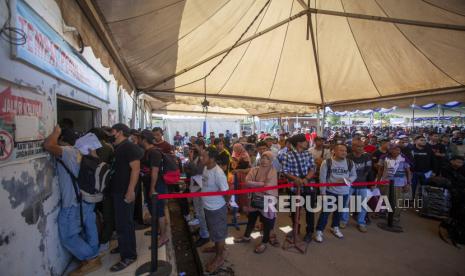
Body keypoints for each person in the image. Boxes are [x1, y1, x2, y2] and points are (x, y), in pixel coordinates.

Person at [44, 125, 102, 275]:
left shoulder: (68, 152)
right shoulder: (85, 152)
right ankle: (93, 251)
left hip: (72, 202)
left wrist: (55, 131)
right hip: (87, 198)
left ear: (63, 140)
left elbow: (48, 145)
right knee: (90, 225)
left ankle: (91, 257)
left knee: (68, 236)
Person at [108, 123, 143, 272]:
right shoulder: (120, 147)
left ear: (120, 132)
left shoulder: (128, 147)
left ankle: (129, 255)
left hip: (124, 192)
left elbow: (136, 169)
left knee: (124, 223)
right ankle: (123, 246)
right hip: (117, 191)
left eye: (112, 131)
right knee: (120, 222)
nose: (111, 134)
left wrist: (130, 191)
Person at [234, 151, 279, 253]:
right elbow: (247, 181)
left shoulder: (273, 171)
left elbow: (268, 186)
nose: (264, 160)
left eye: (267, 158)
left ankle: (264, 242)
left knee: (267, 223)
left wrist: (255, 185)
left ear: (271, 161)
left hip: (268, 200)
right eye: (263, 157)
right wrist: (261, 184)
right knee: (251, 219)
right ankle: (246, 237)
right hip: (255, 199)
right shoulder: (255, 169)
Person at [316, 144, 357, 243]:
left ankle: (335, 227)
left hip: (344, 192)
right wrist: (323, 193)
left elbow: (354, 176)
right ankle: (319, 231)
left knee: (339, 212)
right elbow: (322, 179)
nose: (344, 152)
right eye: (341, 150)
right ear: (334, 151)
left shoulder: (350, 163)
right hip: (330, 192)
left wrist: (346, 180)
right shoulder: (327, 163)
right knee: (325, 213)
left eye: (345, 151)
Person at [282, 134, 316, 243]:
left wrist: (306, 178)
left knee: (310, 210)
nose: (307, 142)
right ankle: (296, 228)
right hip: (294, 188)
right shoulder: (288, 155)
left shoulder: (308, 154)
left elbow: (313, 167)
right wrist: (295, 179)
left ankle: (309, 232)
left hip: (307, 186)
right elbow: (285, 171)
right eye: (305, 141)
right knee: (294, 210)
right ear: (299, 143)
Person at [201, 148, 229, 273]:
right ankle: (216, 247)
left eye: (203, 156)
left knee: (219, 233)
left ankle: (220, 256)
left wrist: (225, 204)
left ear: (211, 159)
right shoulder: (206, 167)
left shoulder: (218, 173)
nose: (201, 158)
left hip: (217, 208)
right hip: (208, 206)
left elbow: (226, 193)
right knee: (213, 230)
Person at [139, 130, 169, 247]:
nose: (139, 141)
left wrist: (152, 188)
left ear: (145, 140)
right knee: (153, 209)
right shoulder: (147, 151)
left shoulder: (154, 152)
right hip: (150, 185)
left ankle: (164, 236)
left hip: (157, 186)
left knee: (160, 211)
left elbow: (155, 171)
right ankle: (157, 230)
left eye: (141, 139)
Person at [341, 144, 374, 232]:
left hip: (362, 183)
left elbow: (369, 170)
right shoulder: (347, 157)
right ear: (353, 148)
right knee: (345, 203)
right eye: (358, 146)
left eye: (362, 147)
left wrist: (372, 183)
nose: (360, 148)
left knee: (363, 203)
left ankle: (361, 222)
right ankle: (344, 220)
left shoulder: (367, 157)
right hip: (349, 184)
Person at [377, 144, 412, 224]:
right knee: (385, 199)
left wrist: (408, 183)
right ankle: (385, 214)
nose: (396, 151)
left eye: (398, 149)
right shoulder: (384, 158)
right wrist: (378, 181)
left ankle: (395, 216)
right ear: (390, 150)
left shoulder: (403, 159)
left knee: (398, 201)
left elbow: (408, 172)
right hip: (386, 182)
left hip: (399, 183)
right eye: (394, 149)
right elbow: (380, 170)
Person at [184, 140, 210, 247]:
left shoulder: (204, 156)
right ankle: (202, 230)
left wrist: (190, 160)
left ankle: (205, 235)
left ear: (201, 146)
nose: (192, 149)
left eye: (194, 147)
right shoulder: (198, 156)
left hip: (199, 183)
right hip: (196, 182)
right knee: (197, 209)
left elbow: (197, 171)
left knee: (200, 210)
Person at [411, 135, 435, 200]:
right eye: (421, 140)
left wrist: (434, 171)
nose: (424, 141)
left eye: (424, 140)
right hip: (414, 172)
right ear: (415, 141)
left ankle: (423, 200)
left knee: (425, 187)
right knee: (412, 187)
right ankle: (412, 199)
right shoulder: (411, 150)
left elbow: (433, 161)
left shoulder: (429, 150)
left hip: (426, 172)